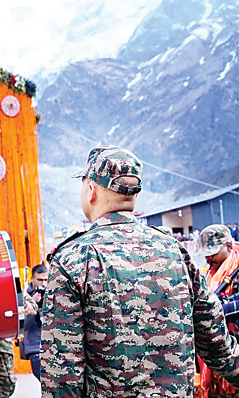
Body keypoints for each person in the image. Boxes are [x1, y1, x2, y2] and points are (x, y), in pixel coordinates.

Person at [42, 146, 239, 396]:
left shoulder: (73, 259)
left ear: (91, 190)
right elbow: (217, 343)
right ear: (134, 195)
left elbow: (61, 374)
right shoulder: (175, 251)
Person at [197, 224, 239, 397]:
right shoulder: (208, 272)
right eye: (206, 253)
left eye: (213, 252)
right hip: (216, 350)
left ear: (228, 246)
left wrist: (223, 307)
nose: (209, 257)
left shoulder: (236, 269)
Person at [21, 264, 48, 381]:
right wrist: (33, 303)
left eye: (46, 280)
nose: (43, 284)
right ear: (32, 278)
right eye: (40, 280)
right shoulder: (24, 296)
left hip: (53, 347)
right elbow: (22, 325)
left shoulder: (52, 294)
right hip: (35, 347)